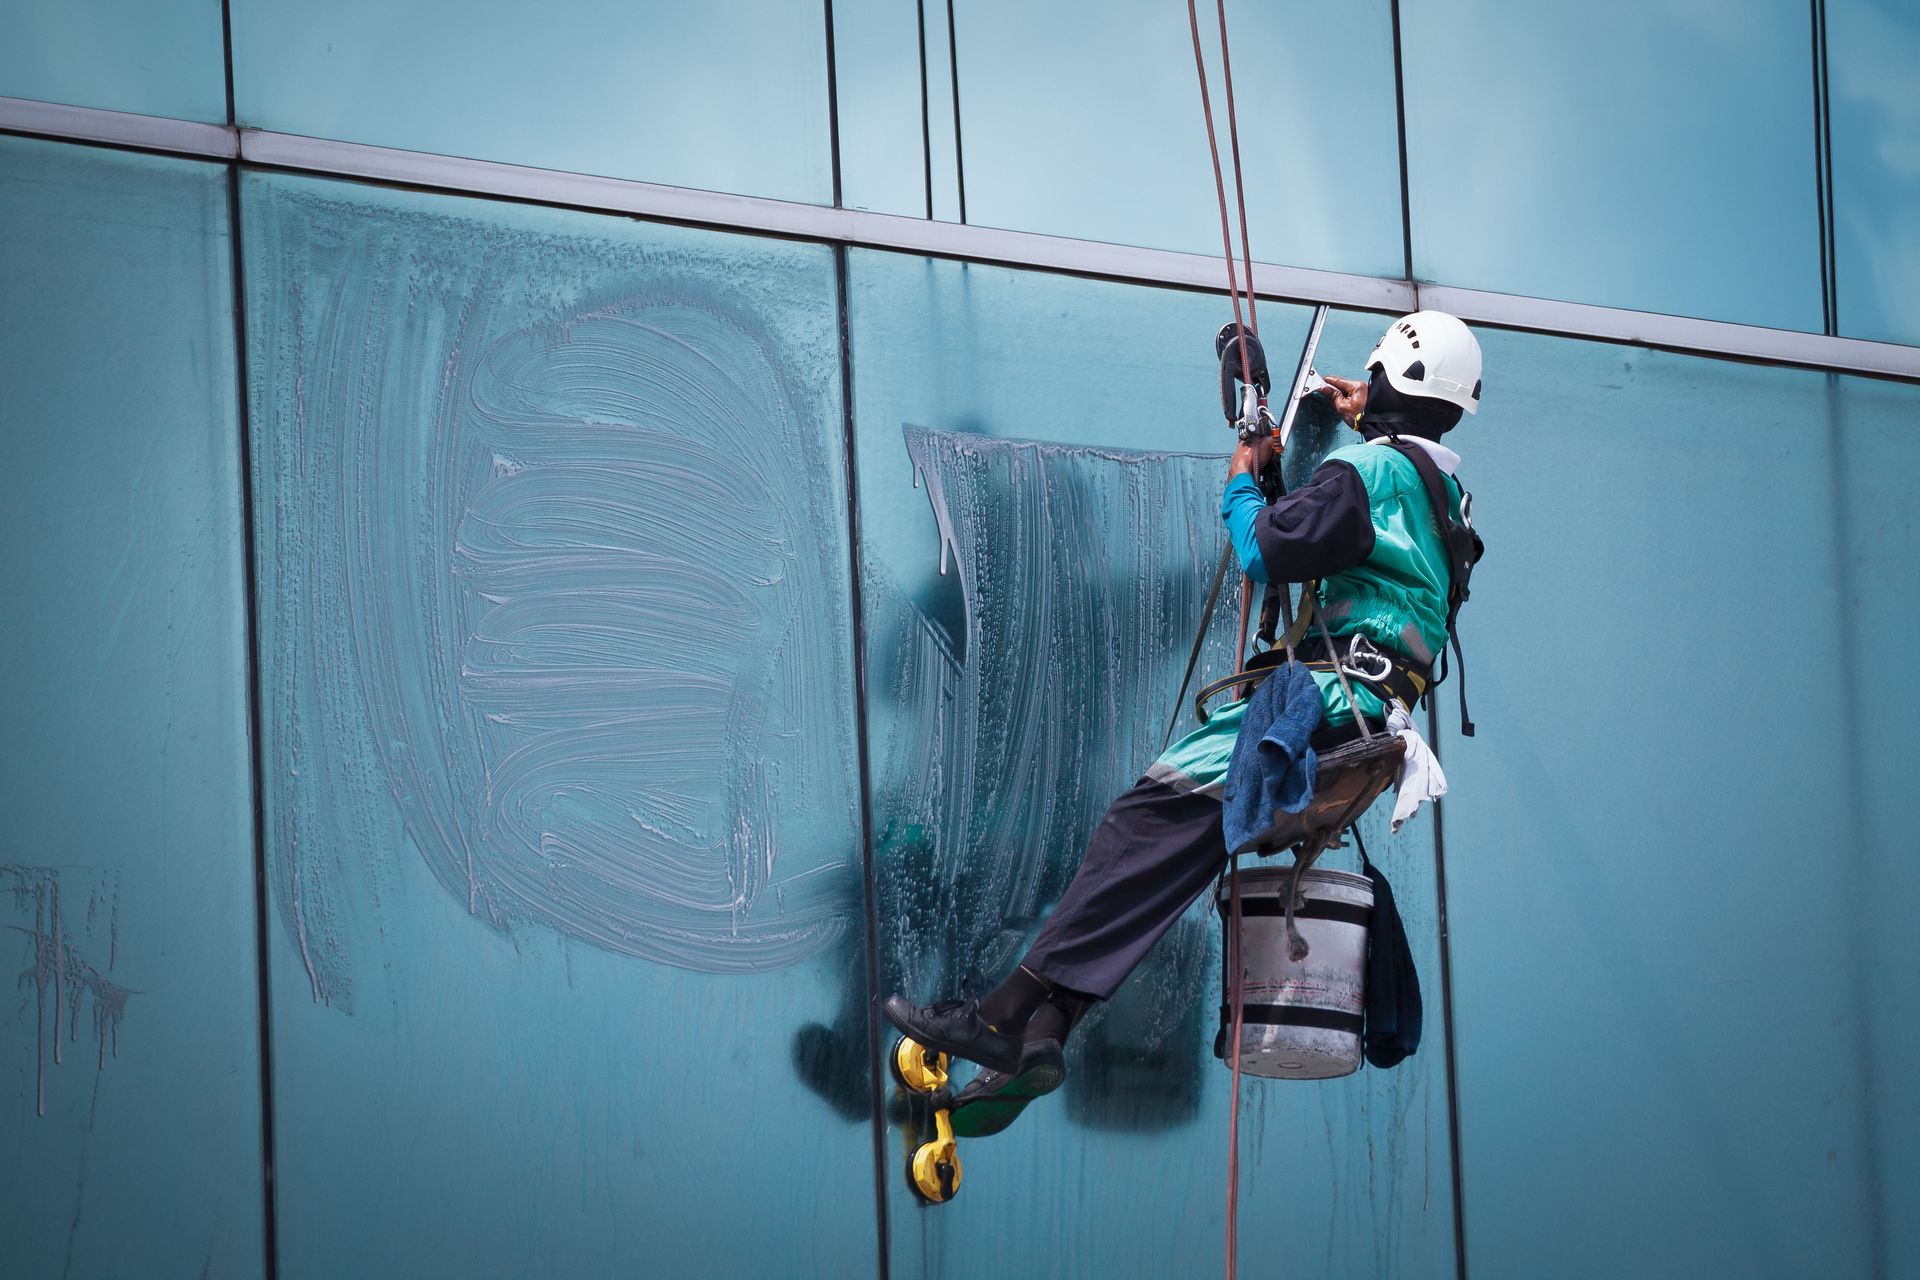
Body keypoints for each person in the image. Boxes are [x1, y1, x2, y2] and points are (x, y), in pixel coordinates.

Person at [882, 310, 1485, 1132]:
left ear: (1386, 381)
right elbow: (1354, 525)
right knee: (1164, 862)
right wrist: (1340, 427)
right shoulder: (1443, 493)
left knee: (1138, 824)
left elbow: (1265, 550)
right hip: (1375, 718)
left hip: (1318, 708)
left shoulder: (1370, 473)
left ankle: (995, 1016)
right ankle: (1045, 1034)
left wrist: (1243, 478)